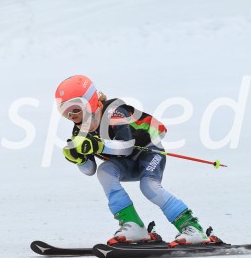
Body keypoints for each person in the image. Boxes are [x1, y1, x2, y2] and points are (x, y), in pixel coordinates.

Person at [55, 74, 215, 247]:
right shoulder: (79, 131)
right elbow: (90, 170)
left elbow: (126, 147)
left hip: (148, 153)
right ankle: (134, 226)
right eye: (65, 111)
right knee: (104, 172)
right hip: (126, 163)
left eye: (76, 108)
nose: (71, 115)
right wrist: (79, 159)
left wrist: (97, 146)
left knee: (148, 186)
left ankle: (192, 227)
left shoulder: (114, 111)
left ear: (91, 101)